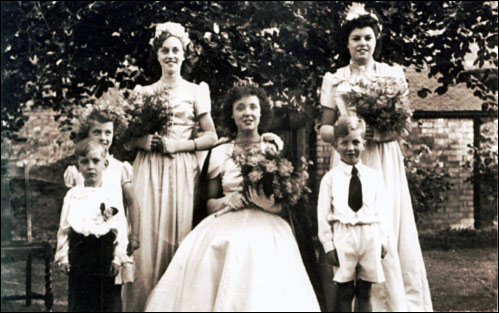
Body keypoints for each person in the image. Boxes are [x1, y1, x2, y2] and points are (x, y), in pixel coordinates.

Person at [144, 83, 321, 312]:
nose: (247, 113)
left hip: (268, 222)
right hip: (226, 219)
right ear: (232, 114)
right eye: (240, 108)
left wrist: (270, 205)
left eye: (252, 107)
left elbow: (289, 203)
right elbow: (208, 203)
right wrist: (227, 201)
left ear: (261, 112)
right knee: (223, 249)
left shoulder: (273, 148)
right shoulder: (220, 151)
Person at [319, 3, 432, 311]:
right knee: (348, 226)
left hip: (382, 158)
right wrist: (346, 135)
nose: (362, 43)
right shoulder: (335, 79)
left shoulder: (392, 75)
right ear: (347, 43)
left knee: (384, 224)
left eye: (368, 37)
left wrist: (377, 134)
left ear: (376, 39)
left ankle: (392, 304)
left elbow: (403, 125)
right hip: (347, 159)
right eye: (356, 38)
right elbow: (324, 128)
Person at [122, 22, 218, 312]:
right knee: (145, 239)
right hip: (148, 170)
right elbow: (125, 141)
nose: (171, 55)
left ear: (184, 53)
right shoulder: (143, 92)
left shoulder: (196, 91)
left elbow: (211, 136)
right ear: (157, 54)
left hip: (181, 171)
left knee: (179, 239)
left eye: (176, 49)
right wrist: (142, 140)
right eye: (165, 50)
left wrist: (179, 145)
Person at [318, 116, 392, 312]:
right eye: (344, 143)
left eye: (356, 142)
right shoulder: (330, 179)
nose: (351, 148)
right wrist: (328, 245)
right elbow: (323, 215)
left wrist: (383, 240)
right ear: (335, 146)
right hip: (344, 236)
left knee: (365, 291)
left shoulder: (374, 177)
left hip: (369, 236)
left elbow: (383, 211)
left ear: (364, 144)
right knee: (344, 291)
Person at [55, 139, 131, 312]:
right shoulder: (73, 195)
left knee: (107, 302)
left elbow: (120, 230)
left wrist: (118, 258)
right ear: (78, 166)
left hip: (104, 254)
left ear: (105, 164)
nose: (90, 166)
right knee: (80, 301)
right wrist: (63, 257)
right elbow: (64, 229)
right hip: (79, 255)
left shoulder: (111, 195)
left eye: (95, 161)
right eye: (84, 162)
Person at [64, 108, 140, 257]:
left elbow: (132, 202)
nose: (103, 137)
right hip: (85, 239)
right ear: (87, 133)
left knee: (114, 276)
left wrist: (134, 236)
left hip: (114, 236)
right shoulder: (79, 170)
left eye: (108, 132)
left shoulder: (120, 168)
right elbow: (68, 208)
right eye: (97, 132)